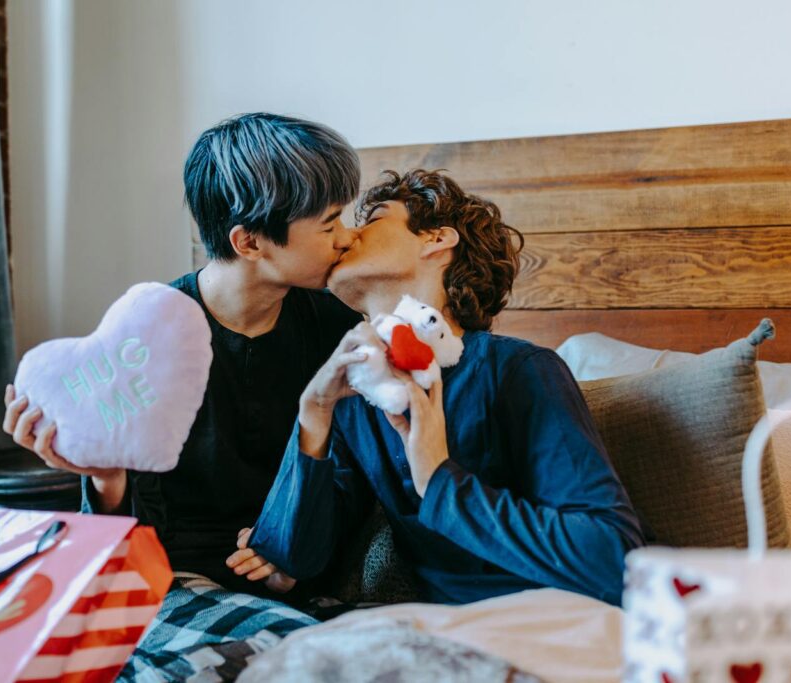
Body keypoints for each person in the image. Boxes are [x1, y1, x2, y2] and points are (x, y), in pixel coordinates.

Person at [2, 113, 363, 679]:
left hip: (295, 578)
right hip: (176, 576)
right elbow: (128, 531)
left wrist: (292, 549)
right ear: (249, 242)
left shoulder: (335, 325)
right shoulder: (153, 332)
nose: (348, 237)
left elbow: (353, 469)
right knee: (292, 651)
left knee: (356, 652)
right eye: (330, 222)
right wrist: (103, 475)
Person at [231, 169, 647, 607]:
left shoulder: (518, 370)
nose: (347, 236)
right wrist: (313, 411)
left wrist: (438, 480)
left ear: (436, 240)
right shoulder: (354, 402)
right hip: (440, 637)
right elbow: (293, 562)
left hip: (554, 618)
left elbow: (613, 558)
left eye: (372, 219)